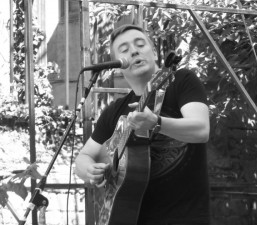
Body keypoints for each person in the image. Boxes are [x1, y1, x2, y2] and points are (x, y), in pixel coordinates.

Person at [75, 24, 210, 225]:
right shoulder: (114, 112)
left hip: (185, 217)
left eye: (140, 44)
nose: (134, 50)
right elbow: (83, 158)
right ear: (118, 64)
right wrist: (89, 170)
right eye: (124, 49)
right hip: (128, 217)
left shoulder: (181, 81)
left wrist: (157, 123)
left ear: (154, 52)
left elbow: (201, 130)